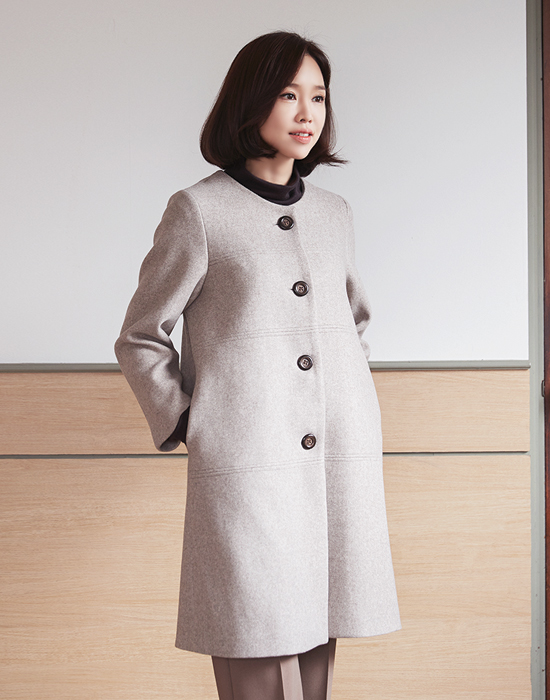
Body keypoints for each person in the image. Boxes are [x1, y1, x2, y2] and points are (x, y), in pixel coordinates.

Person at [114, 30, 401, 700]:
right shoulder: (199, 211)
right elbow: (141, 335)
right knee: (254, 639)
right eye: (288, 94)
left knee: (318, 642)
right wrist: (191, 422)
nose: (307, 113)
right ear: (251, 101)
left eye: (319, 97)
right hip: (246, 465)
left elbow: (352, 322)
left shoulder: (334, 214)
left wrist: (348, 397)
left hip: (335, 459)